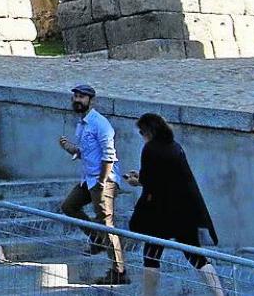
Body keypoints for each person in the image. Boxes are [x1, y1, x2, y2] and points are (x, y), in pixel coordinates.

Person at [126, 113, 225, 296]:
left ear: (149, 131)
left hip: (160, 212)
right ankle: (220, 294)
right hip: (184, 211)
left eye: (142, 132)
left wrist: (136, 181)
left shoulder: (150, 149)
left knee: (151, 256)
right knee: (196, 256)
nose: (141, 136)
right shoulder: (175, 147)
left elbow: (150, 181)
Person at [57, 83, 129, 285]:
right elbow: (85, 152)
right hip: (88, 179)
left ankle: (119, 271)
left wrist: (102, 181)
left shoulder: (100, 123)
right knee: (69, 206)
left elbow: (109, 155)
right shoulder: (82, 124)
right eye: (75, 96)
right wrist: (69, 148)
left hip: (102, 180)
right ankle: (97, 239)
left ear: (91, 100)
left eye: (81, 97)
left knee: (106, 223)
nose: (77, 100)